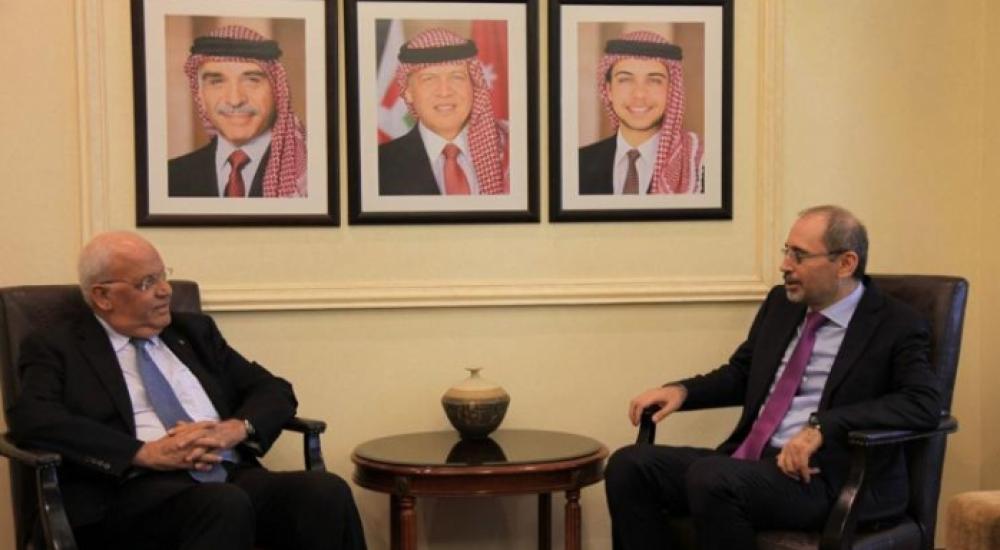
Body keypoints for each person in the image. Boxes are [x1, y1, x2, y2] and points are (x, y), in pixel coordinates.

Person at [604, 205, 941, 549]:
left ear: (845, 263)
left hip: (825, 477)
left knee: (713, 478)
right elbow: (743, 373)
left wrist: (824, 427)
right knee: (628, 467)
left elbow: (924, 403)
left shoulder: (896, 323)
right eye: (786, 251)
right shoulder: (782, 304)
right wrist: (682, 391)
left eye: (799, 255)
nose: (784, 265)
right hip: (754, 463)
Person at [8, 231, 365, 550]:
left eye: (163, 275)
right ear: (103, 297)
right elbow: (33, 418)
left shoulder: (193, 333)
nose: (165, 290)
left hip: (226, 473)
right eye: (147, 282)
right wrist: (142, 453)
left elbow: (273, 389)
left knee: (324, 492)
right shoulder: (59, 346)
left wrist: (234, 429)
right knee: (222, 504)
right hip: (129, 492)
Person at [168, 25, 307, 198]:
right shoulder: (170, 177)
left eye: (252, 80)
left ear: (277, 91)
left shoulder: (310, 173)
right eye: (217, 82)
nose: (235, 100)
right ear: (200, 96)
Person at [378, 27, 509, 196]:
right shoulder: (379, 166)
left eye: (457, 77)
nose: (445, 91)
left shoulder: (510, 152)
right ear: (408, 92)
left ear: (474, 85)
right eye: (429, 79)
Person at [579, 30, 704, 195]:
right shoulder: (577, 163)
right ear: (608, 90)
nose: (639, 94)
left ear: (671, 91)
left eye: (654, 80)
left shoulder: (699, 165)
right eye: (625, 79)